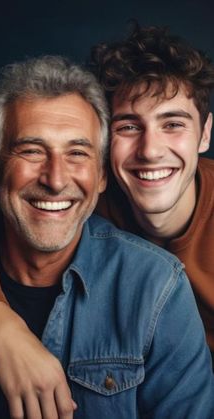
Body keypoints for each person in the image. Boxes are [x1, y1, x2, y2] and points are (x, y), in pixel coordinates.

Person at [0, 54, 213, 419]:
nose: (55, 180)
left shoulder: (158, 286)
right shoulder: (108, 195)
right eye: (31, 150)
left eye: (77, 153)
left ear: (99, 176)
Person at [91, 23, 214, 366]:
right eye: (129, 127)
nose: (150, 151)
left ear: (204, 135)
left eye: (173, 124)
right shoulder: (82, 199)